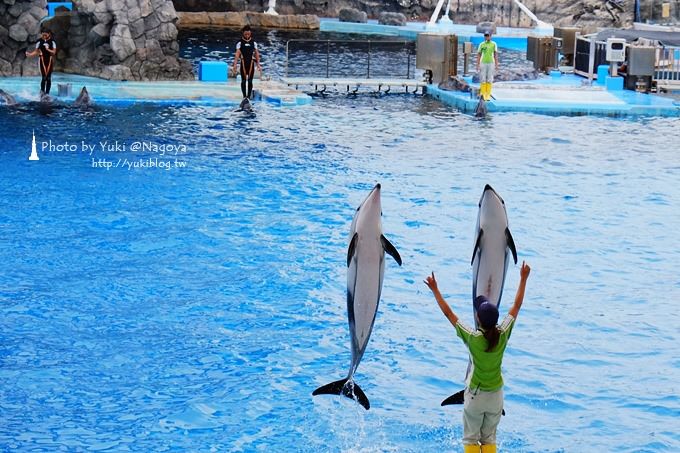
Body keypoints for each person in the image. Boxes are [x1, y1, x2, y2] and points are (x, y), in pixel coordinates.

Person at [424, 261, 531, 453]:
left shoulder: (473, 338)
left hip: (476, 396)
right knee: (489, 439)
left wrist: (435, 290)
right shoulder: (504, 333)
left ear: (478, 319)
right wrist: (523, 278)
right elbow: (516, 305)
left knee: (471, 440)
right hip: (496, 395)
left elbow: (449, 314)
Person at [232, 25, 262, 101]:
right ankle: (244, 96)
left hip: (251, 63)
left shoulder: (254, 43)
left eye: (248, 34)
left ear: (250, 33)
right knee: (243, 80)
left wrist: (258, 64)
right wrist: (235, 65)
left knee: (250, 80)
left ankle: (248, 97)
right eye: (245, 34)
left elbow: (256, 53)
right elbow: (237, 54)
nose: (247, 36)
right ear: (243, 33)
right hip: (243, 63)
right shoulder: (239, 42)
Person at [25, 29, 57, 95]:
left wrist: (48, 49)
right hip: (42, 60)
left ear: (49, 34)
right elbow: (36, 51)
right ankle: (42, 93)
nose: (44, 35)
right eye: (43, 34)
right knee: (44, 77)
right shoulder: (39, 41)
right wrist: (30, 54)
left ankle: (47, 93)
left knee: (48, 78)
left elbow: (54, 52)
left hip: (49, 60)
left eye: (46, 34)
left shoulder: (52, 42)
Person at [476, 32, 498, 101]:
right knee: (483, 78)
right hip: (483, 63)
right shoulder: (481, 44)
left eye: (488, 36)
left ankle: (488, 95)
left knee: (489, 78)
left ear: (491, 36)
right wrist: (477, 64)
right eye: (485, 36)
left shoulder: (494, 44)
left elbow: (495, 55)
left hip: (491, 63)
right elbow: (479, 54)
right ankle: (483, 93)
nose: (487, 37)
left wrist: (497, 64)